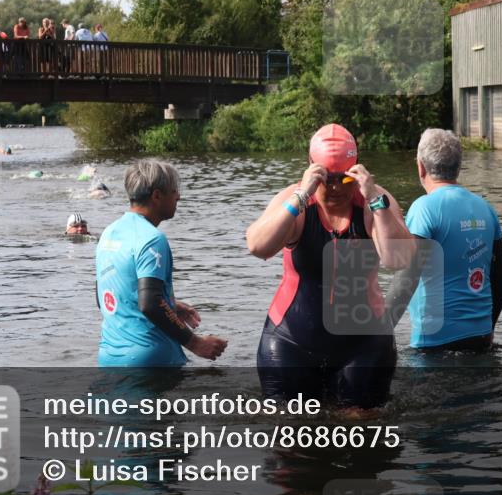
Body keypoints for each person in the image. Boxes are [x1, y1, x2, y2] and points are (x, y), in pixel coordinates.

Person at [246, 124, 413, 409]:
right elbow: (258, 247)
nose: (335, 188)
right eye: (327, 179)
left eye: (344, 179)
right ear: (312, 169)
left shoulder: (375, 200)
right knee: (291, 439)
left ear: (357, 170)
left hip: (362, 345)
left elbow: (398, 260)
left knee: (363, 437)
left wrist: (374, 200)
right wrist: (300, 196)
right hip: (291, 341)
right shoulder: (296, 200)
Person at [384, 129, 502, 352]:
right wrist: (489, 327)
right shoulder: (486, 209)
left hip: (435, 344)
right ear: (459, 167)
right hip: (480, 339)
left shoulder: (424, 208)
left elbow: (407, 276)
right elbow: (501, 276)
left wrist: (378, 332)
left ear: (420, 167)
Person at [95, 159, 228, 366]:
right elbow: (150, 303)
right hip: (152, 361)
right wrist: (196, 343)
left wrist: (170, 305)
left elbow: (104, 297)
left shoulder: (109, 233)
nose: (179, 196)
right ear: (157, 196)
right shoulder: (152, 239)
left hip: (109, 357)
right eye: (174, 191)